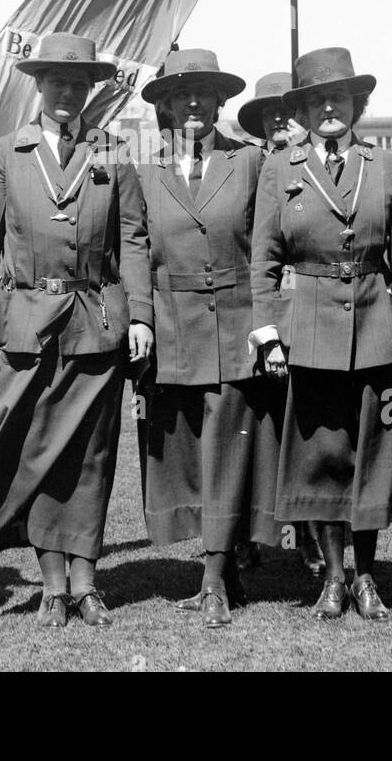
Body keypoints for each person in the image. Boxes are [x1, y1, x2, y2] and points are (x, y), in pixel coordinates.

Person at [0, 32, 154, 629]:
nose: (68, 92)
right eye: (57, 81)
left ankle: (87, 580)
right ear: (38, 85)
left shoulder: (113, 152)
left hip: (96, 325)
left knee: (90, 455)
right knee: (34, 450)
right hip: (25, 326)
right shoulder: (4, 152)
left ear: (91, 88)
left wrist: (141, 315)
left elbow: (134, 241)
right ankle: (52, 583)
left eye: (79, 82)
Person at [251, 48, 392, 620]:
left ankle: (367, 577)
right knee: (321, 454)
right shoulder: (281, 168)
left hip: (376, 320)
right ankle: (331, 578)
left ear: (356, 104)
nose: (329, 107)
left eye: (340, 97)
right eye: (317, 99)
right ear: (301, 108)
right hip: (311, 325)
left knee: (372, 452)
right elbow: (264, 259)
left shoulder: (384, 164)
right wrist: (269, 331)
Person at [135, 50, 282, 628]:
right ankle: (225, 562)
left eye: (204, 93)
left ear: (220, 103)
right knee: (187, 456)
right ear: (164, 107)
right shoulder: (142, 170)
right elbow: (132, 251)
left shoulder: (248, 163)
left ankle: (214, 578)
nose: (192, 104)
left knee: (228, 448)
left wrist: (268, 323)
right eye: (180, 94)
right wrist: (141, 319)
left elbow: (267, 247)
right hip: (170, 329)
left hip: (234, 326)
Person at [238, 72, 324, 577]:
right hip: (257, 307)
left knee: (306, 429)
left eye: (287, 115)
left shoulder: (309, 161)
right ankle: (251, 534)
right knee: (256, 431)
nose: (279, 124)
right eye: (270, 116)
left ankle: (313, 537)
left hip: (306, 307)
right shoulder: (252, 164)